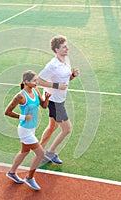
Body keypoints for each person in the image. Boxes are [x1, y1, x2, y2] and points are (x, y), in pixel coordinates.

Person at [5, 70, 51, 190]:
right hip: (24, 130)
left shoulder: (35, 90)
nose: (37, 82)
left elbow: (44, 106)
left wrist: (46, 99)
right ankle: (29, 178)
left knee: (24, 152)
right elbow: (7, 112)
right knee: (40, 154)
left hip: (32, 129)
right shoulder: (20, 96)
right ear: (26, 82)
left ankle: (11, 172)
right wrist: (23, 117)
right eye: (34, 81)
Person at [38, 36, 80, 165]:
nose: (67, 48)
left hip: (59, 99)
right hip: (55, 102)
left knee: (52, 127)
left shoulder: (66, 60)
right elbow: (38, 81)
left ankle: (39, 151)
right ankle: (50, 153)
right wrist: (56, 86)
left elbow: (64, 81)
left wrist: (72, 75)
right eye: (64, 47)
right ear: (57, 49)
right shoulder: (52, 65)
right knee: (67, 129)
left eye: (66, 46)